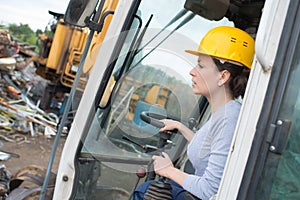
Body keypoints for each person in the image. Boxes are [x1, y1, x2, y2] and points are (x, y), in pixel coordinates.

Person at [133, 26, 255, 200]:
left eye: (201, 66)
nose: (192, 71)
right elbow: (209, 149)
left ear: (223, 76)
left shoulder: (229, 118)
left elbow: (209, 190)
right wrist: (180, 127)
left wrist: (168, 170)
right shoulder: (223, 112)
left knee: (145, 191)